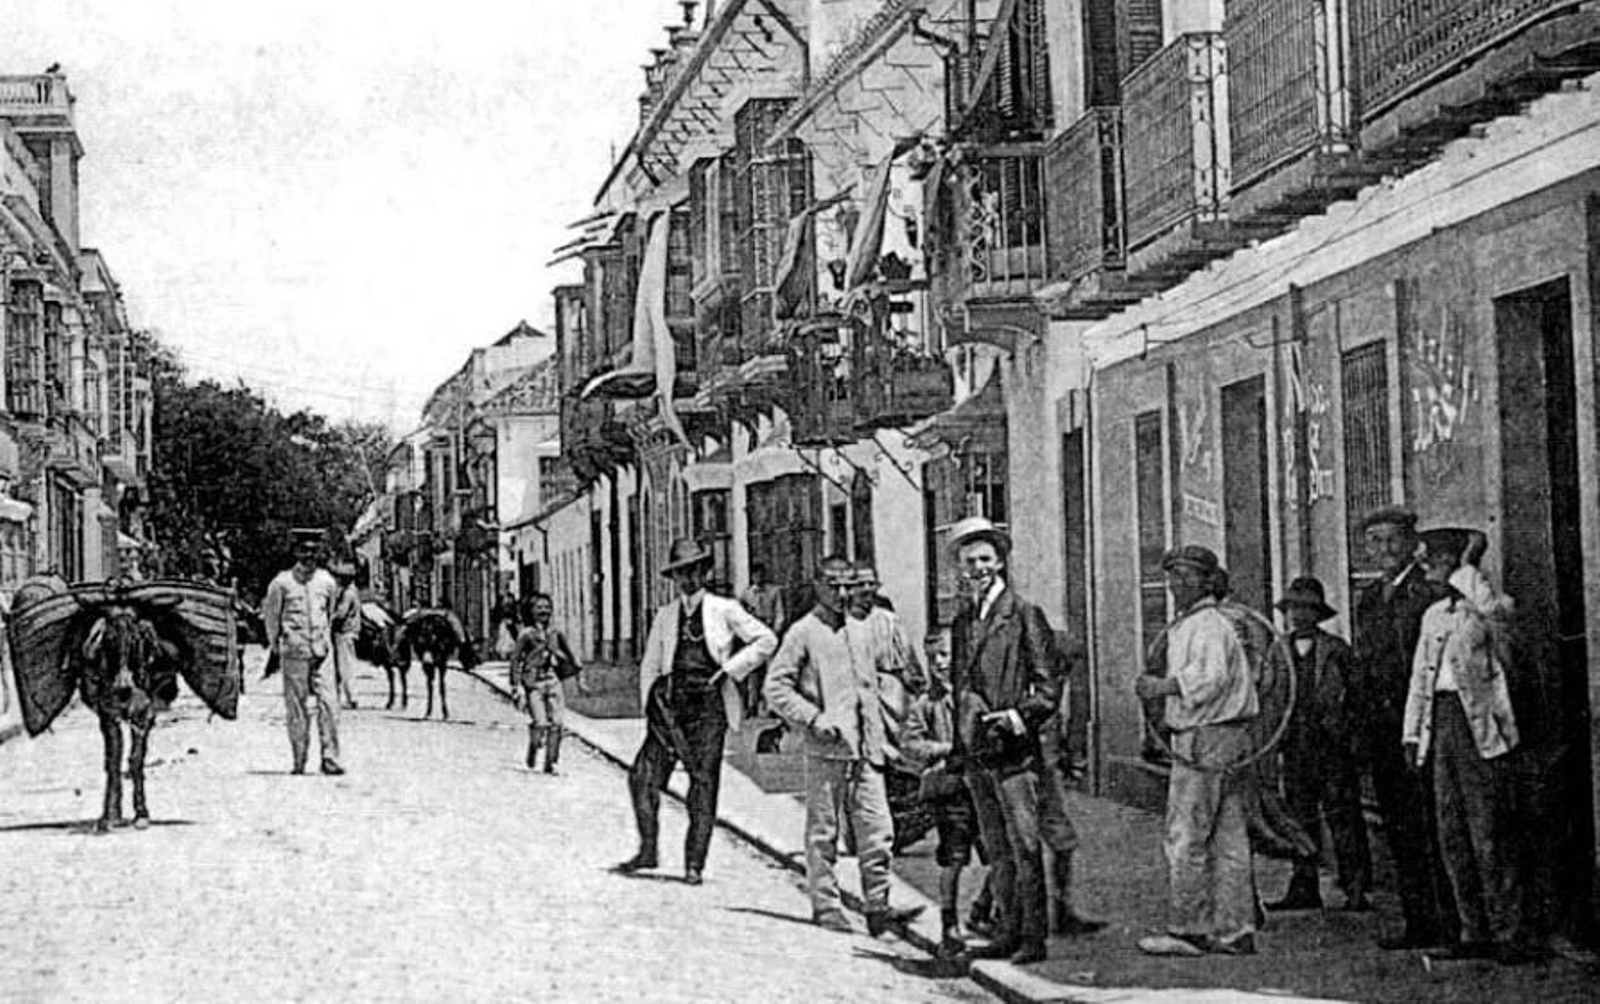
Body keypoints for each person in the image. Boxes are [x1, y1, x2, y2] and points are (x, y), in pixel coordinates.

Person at [764, 555, 923, 936]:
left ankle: (878, 906)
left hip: (867, 750)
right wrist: (815, 719)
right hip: (826, 751)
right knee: (824, 831)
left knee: (878, 830)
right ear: (817, 584)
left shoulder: (864, 628)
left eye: (847, 586)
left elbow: (884, 679)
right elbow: (776, 687)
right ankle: (826, 904)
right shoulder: (803, 632)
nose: (840, 593)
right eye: (832, 585)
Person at [947, 516, 1077, 965]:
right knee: (996, 848)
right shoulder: (964, 621)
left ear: (1000, 562)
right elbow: (958, 687)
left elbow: (1048, 689)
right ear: (959, 569)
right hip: (978, 751)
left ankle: (1033, 939)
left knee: (1024, 846)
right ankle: (1007, 929)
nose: (978, 568)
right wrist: (959, 748)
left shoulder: (1023, 615)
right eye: (969, 562)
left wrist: (1016, 717)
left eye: (985, 559)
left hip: (1015, 752)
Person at [614, 538, 777, 885]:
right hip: (670, 708)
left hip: (708, 707)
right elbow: (651, 665)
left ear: (705, 572)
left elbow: (766, 640)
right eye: (680, 573)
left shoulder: (725, 609)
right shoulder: (665, 615)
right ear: (674, 578)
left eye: (693, 571)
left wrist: (731, 670)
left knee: (702, 784)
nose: (687, 579)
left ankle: (694, 863)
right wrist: (650, 709)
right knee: (642, 777)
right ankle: (648, 849)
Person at [1403, 529, 1530, 965]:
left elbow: (1496, 616)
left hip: (1481, 728)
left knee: (1489, 834)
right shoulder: (1434, 615)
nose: (1427, 569)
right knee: (1452, 834)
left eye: (1434, 562)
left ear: (1455, 563)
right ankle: (1471, 929)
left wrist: (1467, 566)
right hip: (1440, 724)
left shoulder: (1485, 607)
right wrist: (1412, 734)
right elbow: (1420, 678)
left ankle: (1508, 931)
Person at [1136, 545, 1259, 957]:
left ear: (1208, 580)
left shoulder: (1206, 623)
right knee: (1228, 836)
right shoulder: (1197, 622)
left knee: (1186, 835)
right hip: (1227, 737)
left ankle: (1189, 928)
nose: (1176, 585)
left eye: (1186, 576)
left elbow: (1209, 678)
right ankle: (1235, 928)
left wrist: (1161, 687)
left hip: (1205, 736)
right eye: (1173, 576)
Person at [1350, 506, 1456, 950]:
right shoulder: (1371, 597)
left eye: (1393, 539)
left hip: (1420, 724)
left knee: (1434, 825)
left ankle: (1453, 924)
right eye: (1375, 541)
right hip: (1383, 729)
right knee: (1401, 828)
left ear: (1412, 543)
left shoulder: (1427, 593)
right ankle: (1419, 924)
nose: (1384, 549)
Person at [1264, 576, 1370, 912]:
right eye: (1294, 608)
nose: (1299, 615)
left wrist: (1348, 735)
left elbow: (1357, 697)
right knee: (1299, 818)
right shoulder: (1277, 650)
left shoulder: (1337, 649)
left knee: (1343, 818)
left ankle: (1355, 888)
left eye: (1307, 609)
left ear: (1318, 614)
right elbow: (1268, 694)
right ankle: (1303, 886)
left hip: (1332, 747)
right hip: (1295, 746)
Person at [903, 628, 980, 957]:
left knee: (999, 852)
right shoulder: (926, 704)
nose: (939, 663)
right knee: (954, 857)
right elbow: (910, 743)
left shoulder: (975, 694)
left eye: (946, 655)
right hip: (951, 790)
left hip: (982, 784)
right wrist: (944, 749)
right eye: (933, 657)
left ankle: (985, 907)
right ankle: (949, 921)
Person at [262, 529, 343, 776]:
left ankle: (330, 757)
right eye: (304, 550)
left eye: (313, 550)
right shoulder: (281, 583)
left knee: (329, 704)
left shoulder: (327, 582)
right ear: (296, 552)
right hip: (294, 651)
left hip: (321, 651)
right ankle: (299, 757)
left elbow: (329, 614)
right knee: (296, 708)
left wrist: (324, 639)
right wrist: (277, 645)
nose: (309, 555)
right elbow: (271, 617)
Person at [510, 592, 579, 774]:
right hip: (533, 683)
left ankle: (551, 761)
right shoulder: (526, 634)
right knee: (540, 722)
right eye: (539, 608)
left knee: (557, 723)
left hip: (552, 679)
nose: (544, 611)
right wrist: (515, 686)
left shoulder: (556, 633)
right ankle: (534, 745)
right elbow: (516, 660)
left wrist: (578, 674)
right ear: (531, 611)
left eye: (547, 607)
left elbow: (571, 656)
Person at [329, 561, 361, 711]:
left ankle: (351, 698)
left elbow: (341, 613)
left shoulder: (348, 593)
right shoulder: (352, 591)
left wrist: (328, 617)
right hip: (348, 632)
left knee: (345, 666)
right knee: (346, 664)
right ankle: (347, 697)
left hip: (344, 632)